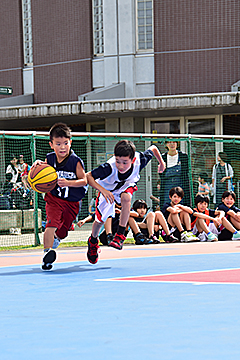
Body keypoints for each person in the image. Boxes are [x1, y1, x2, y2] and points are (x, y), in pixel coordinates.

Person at [86, 140, 166, 264]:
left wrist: (161, 163)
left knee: (126, 198)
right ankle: (93, 241)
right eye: (118, 161)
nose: (121, 166)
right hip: (107, 191)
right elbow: (88, 176)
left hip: (126, 185)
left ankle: (120, 235)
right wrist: (103, 191)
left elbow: (154, 148)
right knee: (99, 221)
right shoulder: (108, 168)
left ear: (132, 160)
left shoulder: (140, 160)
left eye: (125, 162)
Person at [31, 122, 88, 270]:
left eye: (65, 143)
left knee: (64, 230)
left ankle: (56, 240)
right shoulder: (49, 159)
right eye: (58, 144)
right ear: (51, 145)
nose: (62, 147)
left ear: (70, 143)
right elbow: (42, 173)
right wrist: (38, 164)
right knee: (51, 224)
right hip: (54, 199)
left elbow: (84, 180)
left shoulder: (75, 161)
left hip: (72, 201)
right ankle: (46, 255)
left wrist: (69, 183)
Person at [159, 140, 190, 207]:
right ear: (166, 144)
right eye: (169, 142)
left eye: (174, 142)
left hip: (181, 186)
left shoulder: (183, 156)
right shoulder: (162, 157)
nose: (172, 144)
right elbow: (161, 174)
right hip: (167, 187)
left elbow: (186, 173)